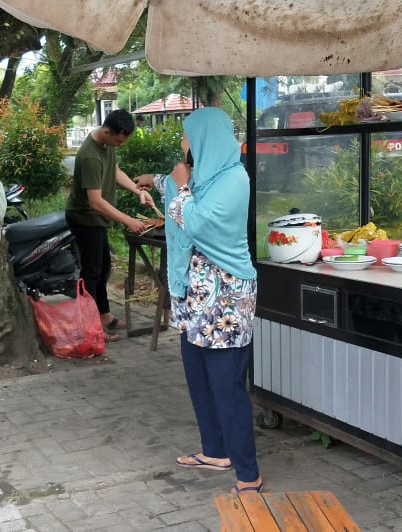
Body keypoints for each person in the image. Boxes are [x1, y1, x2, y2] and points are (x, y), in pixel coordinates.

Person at [135, 107, 261, 493]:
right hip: (194, 297)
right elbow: (177, 190)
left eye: (187, 136)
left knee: (227, 384)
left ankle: (247, 470)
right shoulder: (204, 177)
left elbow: (199, 221)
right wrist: (156, 181)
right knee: (199, 378)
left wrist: (181, 186)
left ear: (206, 138)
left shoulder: (234, 179)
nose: (183, 143)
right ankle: (215, 450)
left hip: (226, 300)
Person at [65, 109, 154, 341]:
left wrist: (139, 192)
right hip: (85, 219)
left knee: (103, 267)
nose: (120, 145)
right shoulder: (89, 155)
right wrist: (129, 220)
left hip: (97, 220)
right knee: (91, 272)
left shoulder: (107, 145)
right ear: (107, 131)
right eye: (117, 140)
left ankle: (103, 315)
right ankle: (89, 326)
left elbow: (115, 171)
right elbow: (95, 202)